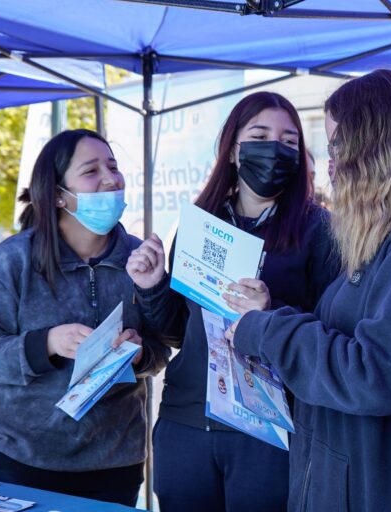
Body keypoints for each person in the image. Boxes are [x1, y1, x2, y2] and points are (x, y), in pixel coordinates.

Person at [225, 70, 391, 511]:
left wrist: (267, 330)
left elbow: (373, 375)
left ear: (371, 146)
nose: (329, 163)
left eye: (335, 146)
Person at [127, 91, 339, 512]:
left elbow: (331, 330)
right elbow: (175, 331)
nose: (275, 149)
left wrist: (270, 313)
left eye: (289, 141)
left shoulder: (321, 230)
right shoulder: (200, 224)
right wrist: (153, 285)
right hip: (186, 422)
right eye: (259, 134)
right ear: (233, 149)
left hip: (269, 429)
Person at [0, 129, 169, 506]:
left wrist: (140, 352)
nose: (110, 178)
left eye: (113, 166)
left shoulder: (140, 259)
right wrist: (47, 343)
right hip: (21, 457)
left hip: (115, 459)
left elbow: (162, 345)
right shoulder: (13, 260)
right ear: (58, 195)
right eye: (90, 171)